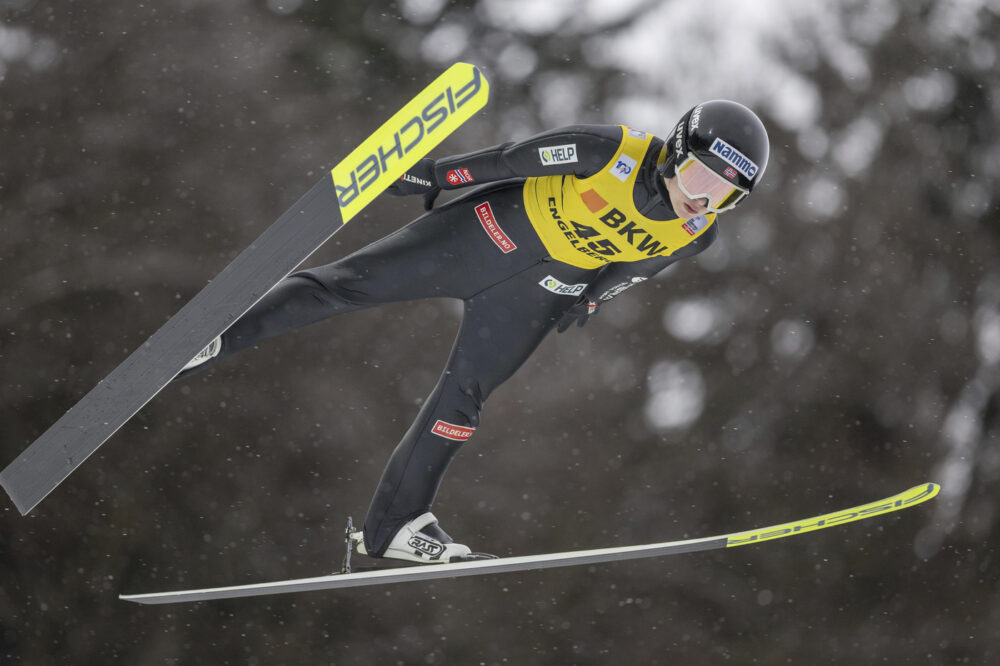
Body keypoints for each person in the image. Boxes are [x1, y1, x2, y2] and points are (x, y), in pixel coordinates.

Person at [179, 99, 770, 564]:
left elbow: (638, 266)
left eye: (725, 193)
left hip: (539, 293)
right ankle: (215, 336)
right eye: (700, 176)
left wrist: (590, 301)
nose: (703, 197)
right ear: (673, 150)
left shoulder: (698, 233)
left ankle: (395, 527)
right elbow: (514, 158)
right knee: (344, 286)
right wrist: (437, 175)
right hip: (485, 236)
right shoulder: (609, 150)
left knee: (464, 400)